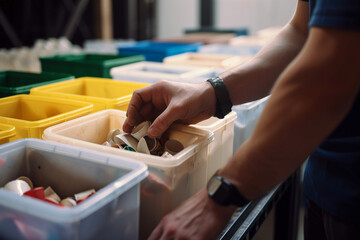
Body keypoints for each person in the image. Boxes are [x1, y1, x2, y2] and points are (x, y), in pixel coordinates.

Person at [123, 0, 360, 239]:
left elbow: (331, 72)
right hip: (322, 177)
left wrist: (219, 195)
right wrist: (212, 93)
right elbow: (301, 32)